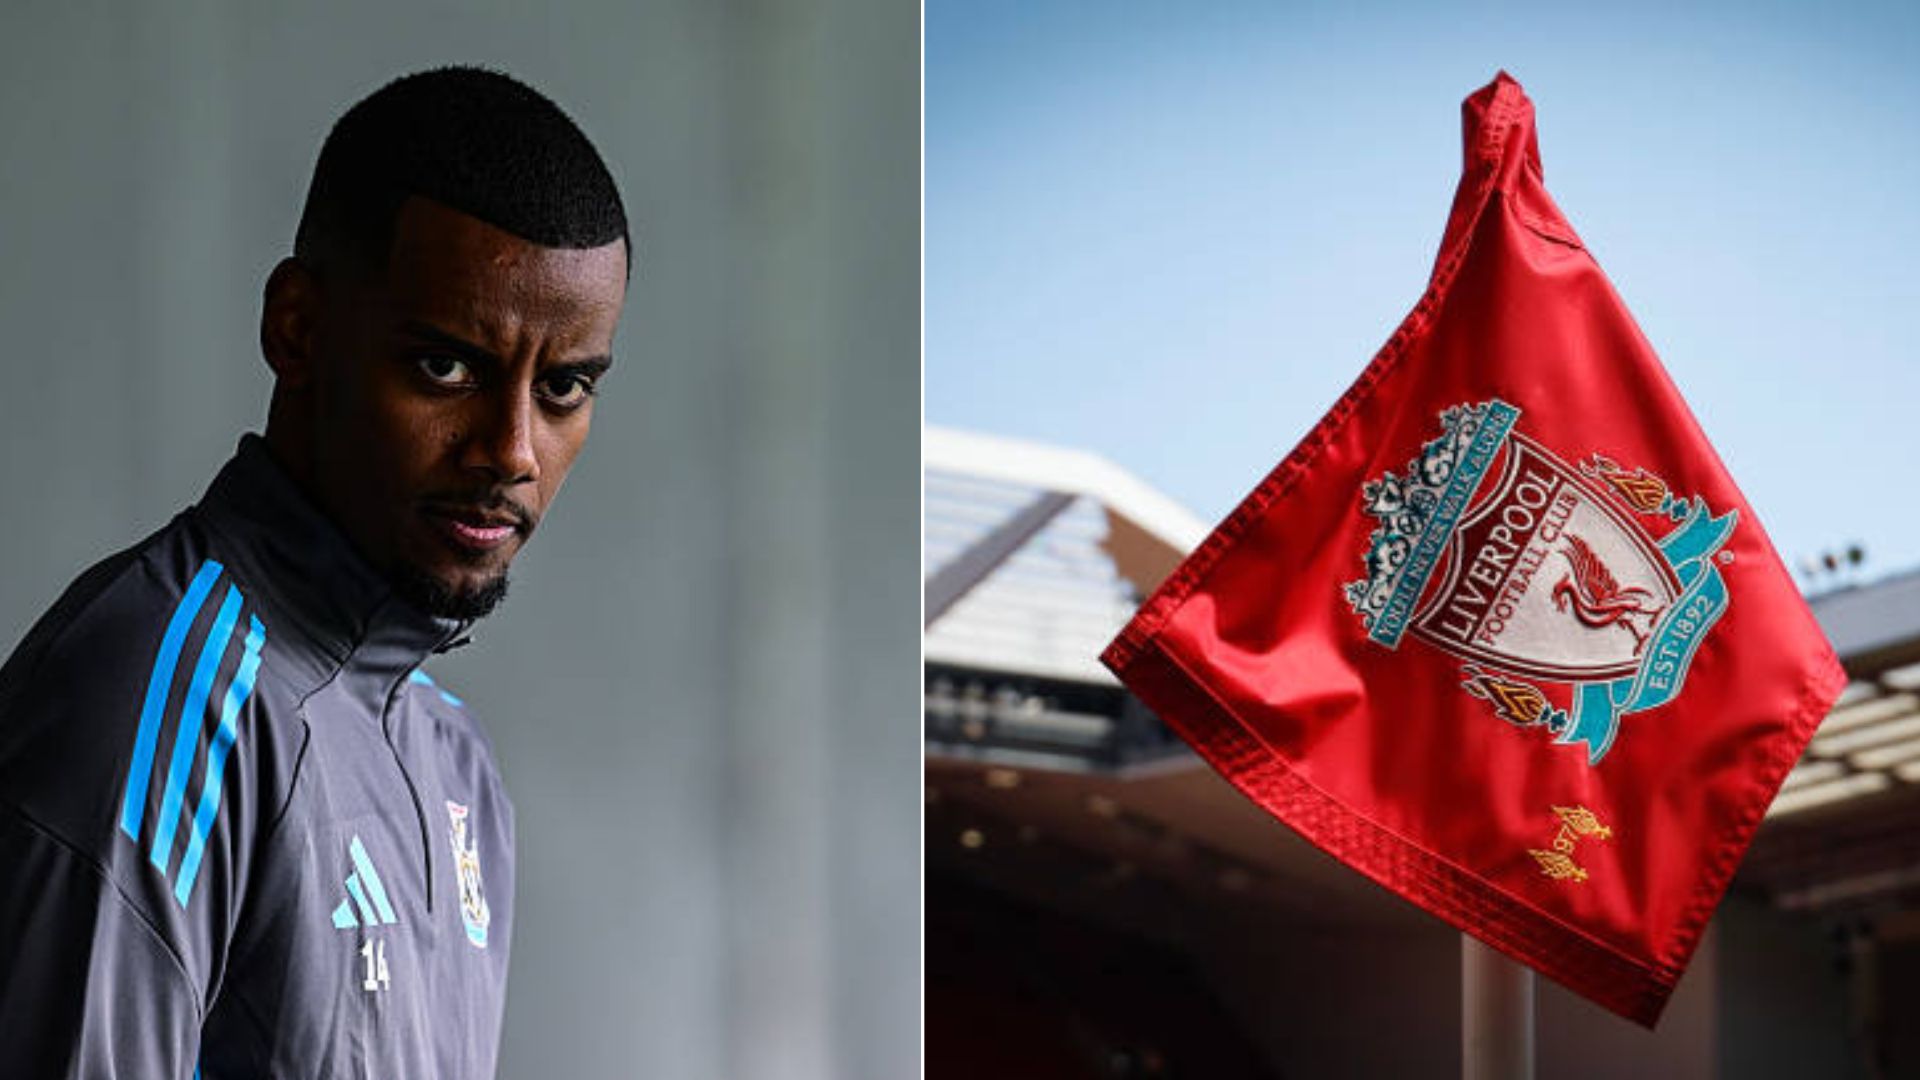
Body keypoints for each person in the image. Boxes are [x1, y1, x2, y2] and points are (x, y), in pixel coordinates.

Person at [0, 66, 629, 1077]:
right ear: (297, 328)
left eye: (561, 389)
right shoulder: (155, 705)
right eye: (446, 366)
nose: (512, 449)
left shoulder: (455, 763)